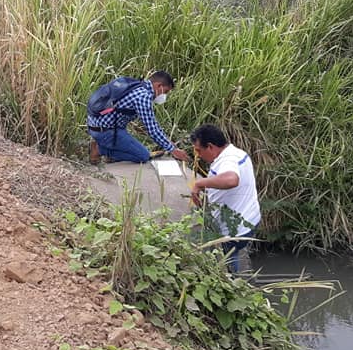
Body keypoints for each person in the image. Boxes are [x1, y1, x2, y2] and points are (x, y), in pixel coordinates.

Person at [189, 124, 261, 273]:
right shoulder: (237, 153)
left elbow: (231, 180)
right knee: (231, 254)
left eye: (199, 150)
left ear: (210, 146)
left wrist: (200, 183)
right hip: (250, 220)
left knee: (227, 259)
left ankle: (230, 281)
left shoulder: (227, 161)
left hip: (235, 230)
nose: (198, 155)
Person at [86, 71, 190, 164]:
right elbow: (152, 129)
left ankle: (111, 152)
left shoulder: (137, 86)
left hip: (96, 125)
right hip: (106, 131)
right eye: (166, 92)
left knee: (135, 148)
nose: (165, 96)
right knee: (143, 156)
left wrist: (166, 141)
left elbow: (152, 123)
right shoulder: (143, 96)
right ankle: (99, 150)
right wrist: (173, 150)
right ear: (159, 86)